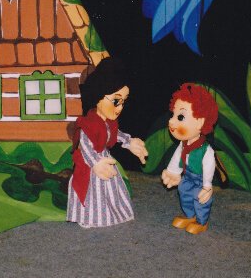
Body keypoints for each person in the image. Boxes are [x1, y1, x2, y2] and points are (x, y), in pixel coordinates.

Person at [67, 57, 148, 228]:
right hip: (91, 166)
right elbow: (85, 146)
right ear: (98, 95)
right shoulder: (88, 124)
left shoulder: (109, 123)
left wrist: (129, 142)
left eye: (123, 101)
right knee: (94, 192)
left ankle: (112, 215)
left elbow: (115, 134)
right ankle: (91, 218)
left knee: (111, 190)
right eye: (116, 101)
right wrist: (96, 163)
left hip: (105, 160)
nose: (120, 107)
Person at [161, 83, 219, 234]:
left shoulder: (206, 150)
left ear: (200, 122)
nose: (171, 121)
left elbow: (209, 167)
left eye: (180, 117)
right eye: (173, 115)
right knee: (184, 192)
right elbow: (177, 158)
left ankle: (201, 221)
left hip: (200, 179)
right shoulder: (183, 143)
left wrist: (207, 186)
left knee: (200, 199)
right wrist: (173, 172)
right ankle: (189, 215)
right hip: (187, 176)